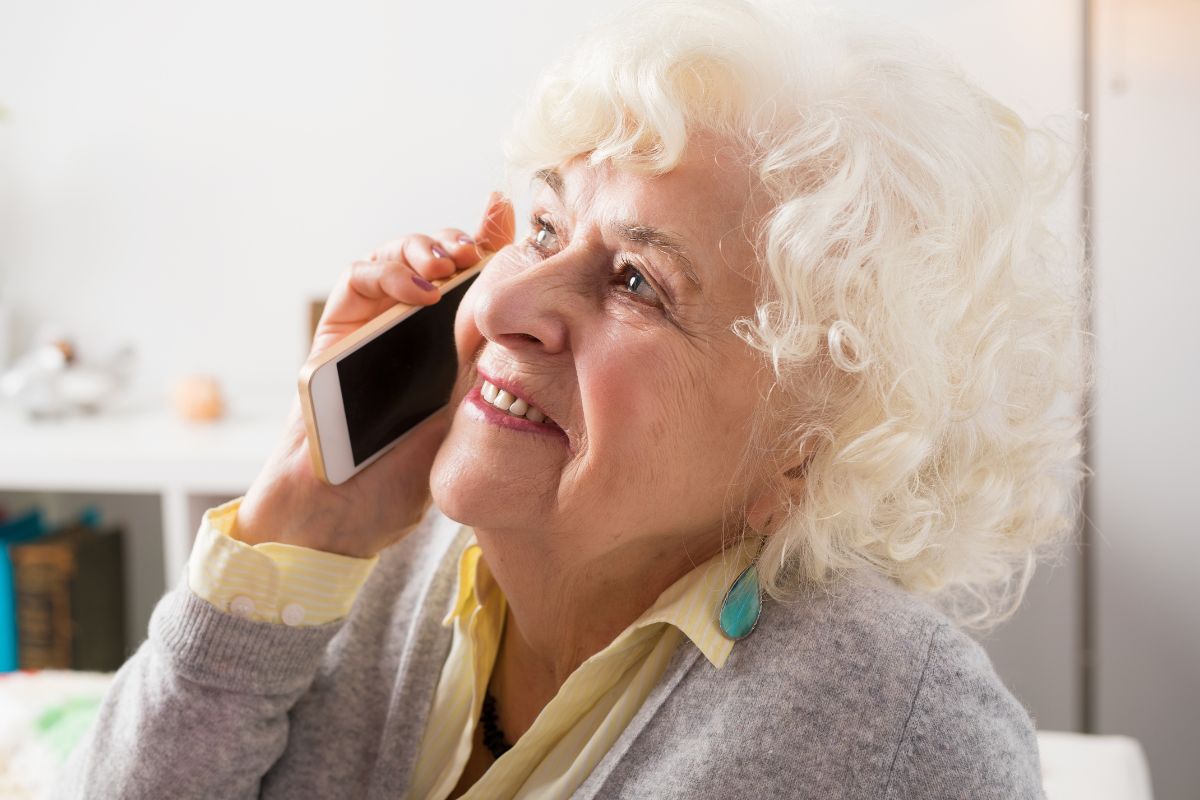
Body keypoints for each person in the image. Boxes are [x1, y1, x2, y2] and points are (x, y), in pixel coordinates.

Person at [55, 1, 1087, 797]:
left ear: (807, 442)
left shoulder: (899, 730)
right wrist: (303, 526)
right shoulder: (370, 559)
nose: (505, 303)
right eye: (543, 229)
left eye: (637, 280)